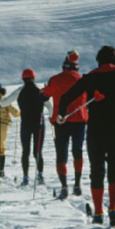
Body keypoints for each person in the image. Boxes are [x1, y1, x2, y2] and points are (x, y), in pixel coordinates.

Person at [58, 46, 115, 227]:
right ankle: (113, 209)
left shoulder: (90, 77)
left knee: (97, 170)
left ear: (99, 60)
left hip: (96, 129)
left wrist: (61, 114)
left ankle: (98, 213)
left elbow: (67, 97)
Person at [42, 50, 88, 200]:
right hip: (79, 120)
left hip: (60, 121)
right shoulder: (82, 80)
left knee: (61, 154)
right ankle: (78, 184)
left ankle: (64, 186)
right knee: (77, 151)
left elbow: (44, 96)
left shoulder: (54, 79)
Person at [0, 69, 52, 186]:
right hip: (39, 124)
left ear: (23, 79)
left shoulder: (20, 91)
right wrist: (51, 117)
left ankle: (25, 177)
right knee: (37, 151)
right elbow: (49, 107)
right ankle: (40, 176)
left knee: (26, 151)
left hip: (26, 125)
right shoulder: (39, 90)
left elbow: (4, 103)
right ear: (34, 77)